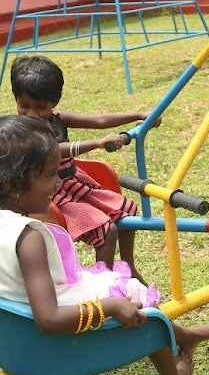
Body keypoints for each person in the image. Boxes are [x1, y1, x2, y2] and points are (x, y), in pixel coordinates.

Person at [0, 113, 209, 375]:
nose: (58, 184)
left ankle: (182, 334)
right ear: (13, 185)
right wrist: (110, 307)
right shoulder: (28, 238)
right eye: (50, 175)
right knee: (132, 296)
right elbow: (49, 320)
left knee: (111, 283)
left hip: (12, 338)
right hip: (48, 343)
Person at [9, 56, 149, 278]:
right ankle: (105, 279)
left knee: (127, 209)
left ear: (54, 102)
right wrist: (95, 143)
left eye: (40, 107)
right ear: (16, 99)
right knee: (107, 230)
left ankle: (128, 265)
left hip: (74, 185)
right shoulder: (22, 131)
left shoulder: (57, 118)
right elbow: (53, 149)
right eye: (24, 105)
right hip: (50, 195)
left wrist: (138, 116)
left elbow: (99, 120)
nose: (32, 114)